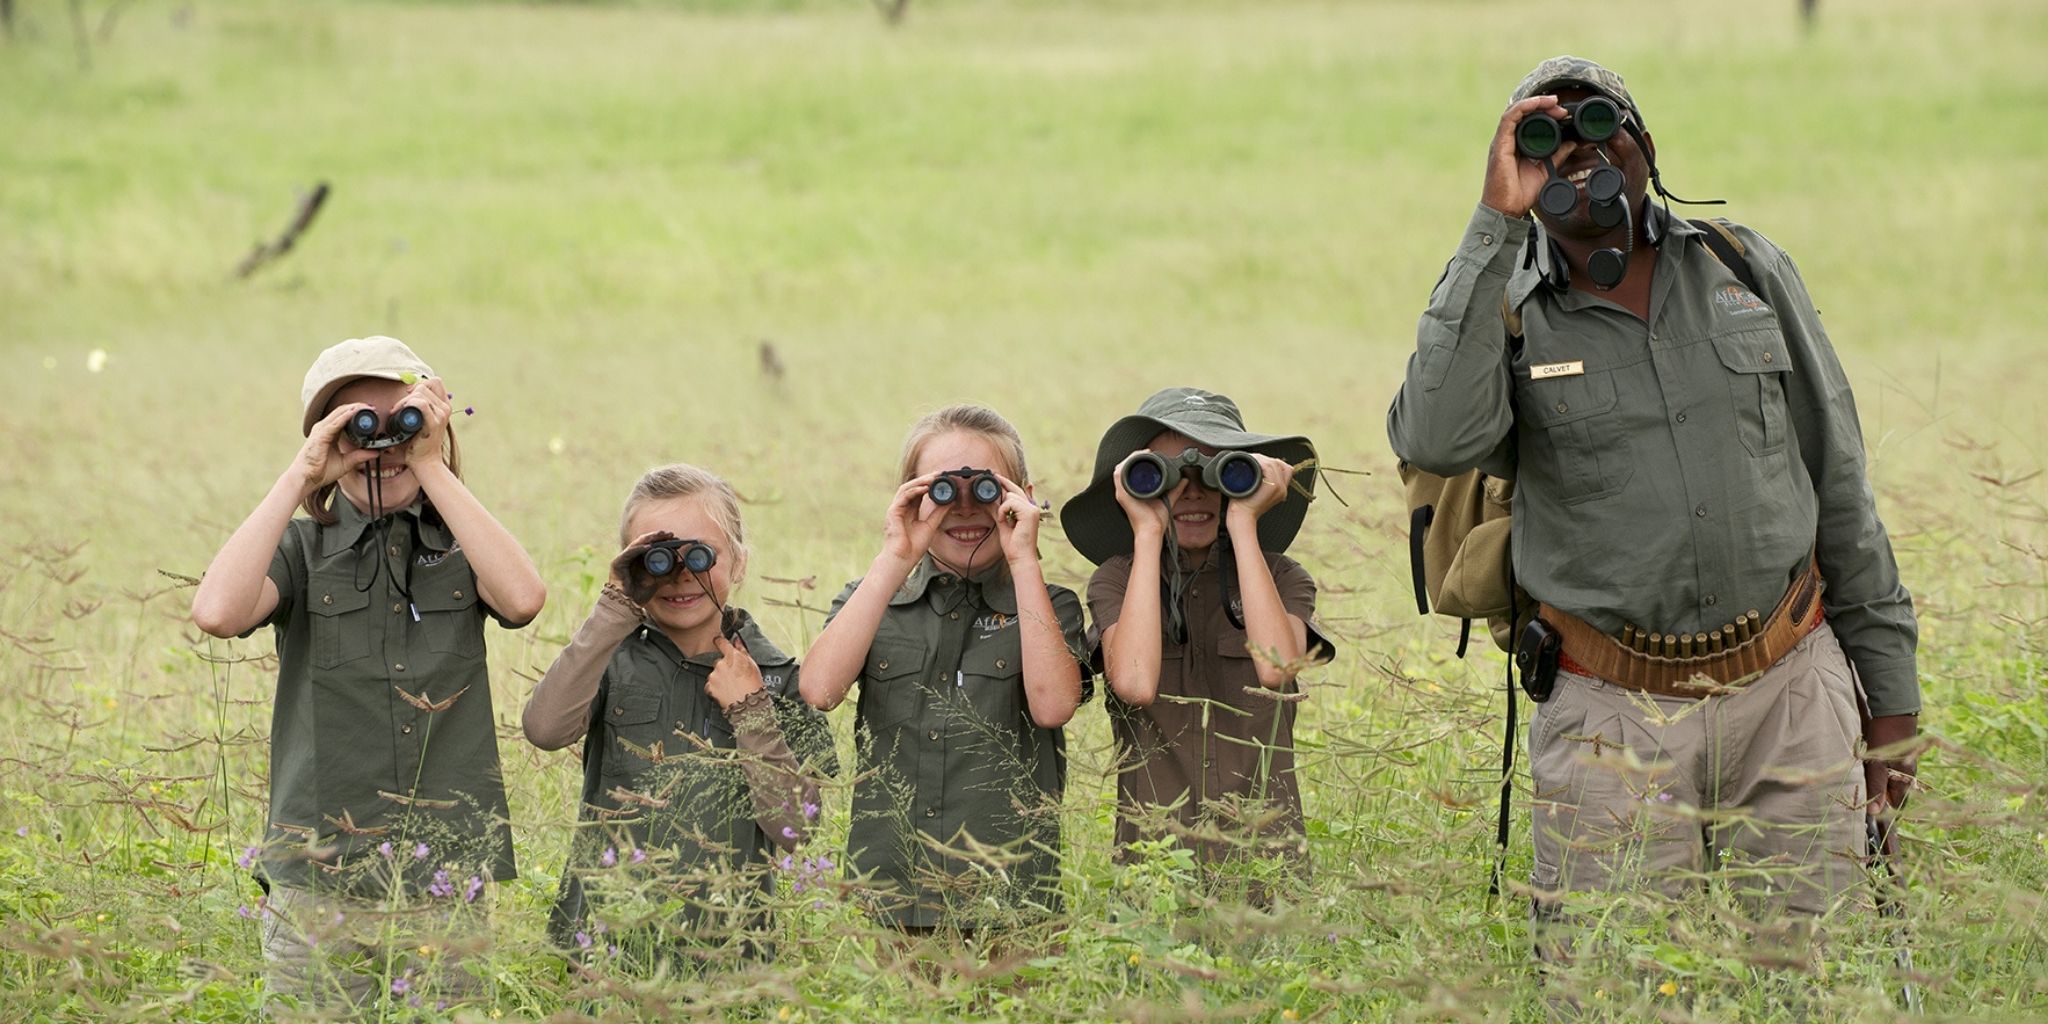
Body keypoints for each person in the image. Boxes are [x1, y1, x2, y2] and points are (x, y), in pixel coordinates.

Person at [1386, 57, 1920, 947]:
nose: (1582, 155)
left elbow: (1839, 481)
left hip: (1792, 686)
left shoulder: (1741, 266)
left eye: (1603, 124)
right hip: (1608, 707)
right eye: (1545, 139)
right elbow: (1435, 439)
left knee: (1810, 976)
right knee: (1613, 985)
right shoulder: (1508, 312)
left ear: (1645, 141)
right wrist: (1493, 227)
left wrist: (1890, 698)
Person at [191, 336, 546, 1007]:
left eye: (401, 419)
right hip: (317, 879)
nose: (380, 443)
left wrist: (431, 466)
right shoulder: (300, 549)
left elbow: (523, 598)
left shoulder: (461, 549)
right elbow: (216, 611)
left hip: (440, 877)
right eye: (357, 423)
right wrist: (301, 475)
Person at [523, 464, 836, 968]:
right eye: (657, 559)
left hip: (732, 949)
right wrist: (614, 609)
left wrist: (751, 711)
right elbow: (544, 729)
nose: (680, 574)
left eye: (699, 554)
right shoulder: (609, 659)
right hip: (607, 939)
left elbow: (798, 827)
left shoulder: (779, 677)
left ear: (739, 563)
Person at [799, 404, 1089, 937]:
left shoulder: (1050, 606)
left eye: (984, 488)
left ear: (1021, 495)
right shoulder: (874, 601)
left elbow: (1053, 705)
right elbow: (818, 690)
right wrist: (896, 554)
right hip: (891, 894)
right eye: (940, 490)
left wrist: (1024, 558)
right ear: (909, 496)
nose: (963, 508)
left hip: (1011, 898)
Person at [1061, 387, 1335, 889]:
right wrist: (1146, 533)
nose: (1192, 493)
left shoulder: (1284, 579)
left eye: (1215, 472)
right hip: (1156, 870)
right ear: (1137, 484)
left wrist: (1246, 523)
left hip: (1266, 868)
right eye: (1165, 476)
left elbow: (1277, 668)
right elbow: (1137, 684)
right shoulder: (1116, 581)